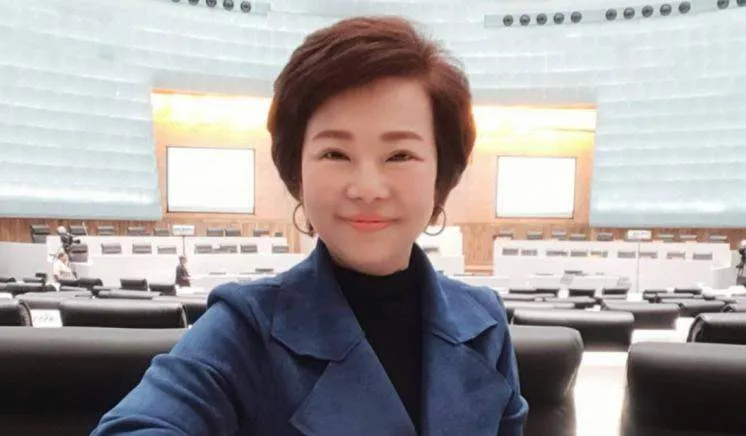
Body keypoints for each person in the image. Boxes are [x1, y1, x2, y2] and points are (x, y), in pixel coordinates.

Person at [92, 16, 527, 436]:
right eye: (335, 154)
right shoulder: (247, 326)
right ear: (297, 172)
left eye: (399, 156)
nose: (367, 188)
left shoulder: (484, 322)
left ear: (441, 172)